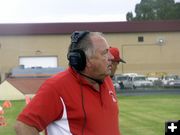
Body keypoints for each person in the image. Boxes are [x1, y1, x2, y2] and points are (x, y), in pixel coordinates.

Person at [14, 31, 121, 135]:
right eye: (105, 53)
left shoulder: (106, 80)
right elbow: (24, 126)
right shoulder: (56, 87)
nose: (111, 57)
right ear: (85, 60)